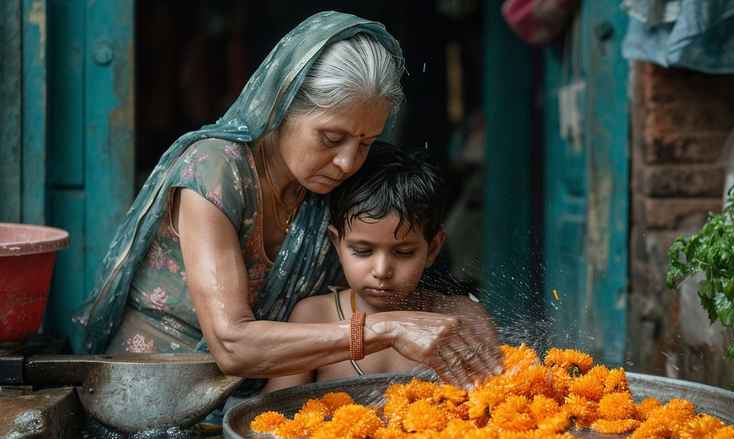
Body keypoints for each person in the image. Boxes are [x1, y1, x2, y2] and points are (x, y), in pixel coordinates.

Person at [75, 11, 500, 391]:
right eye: (331, 138)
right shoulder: (214, 170)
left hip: (250, 398)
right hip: (153, 396)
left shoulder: (327, 187)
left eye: (366, 142)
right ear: (281, 107)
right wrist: (386, 328)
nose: (348, 161)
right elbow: (232, 345)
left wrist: (456, 312)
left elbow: (383, 270)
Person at [266, 142, 497, 392]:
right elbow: (275, 413)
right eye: (362, 251)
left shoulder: (462, 319)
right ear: (336, 244)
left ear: (432, 249)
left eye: (404, 252)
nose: (382, 270)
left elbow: (496, 399)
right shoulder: (314, 317)